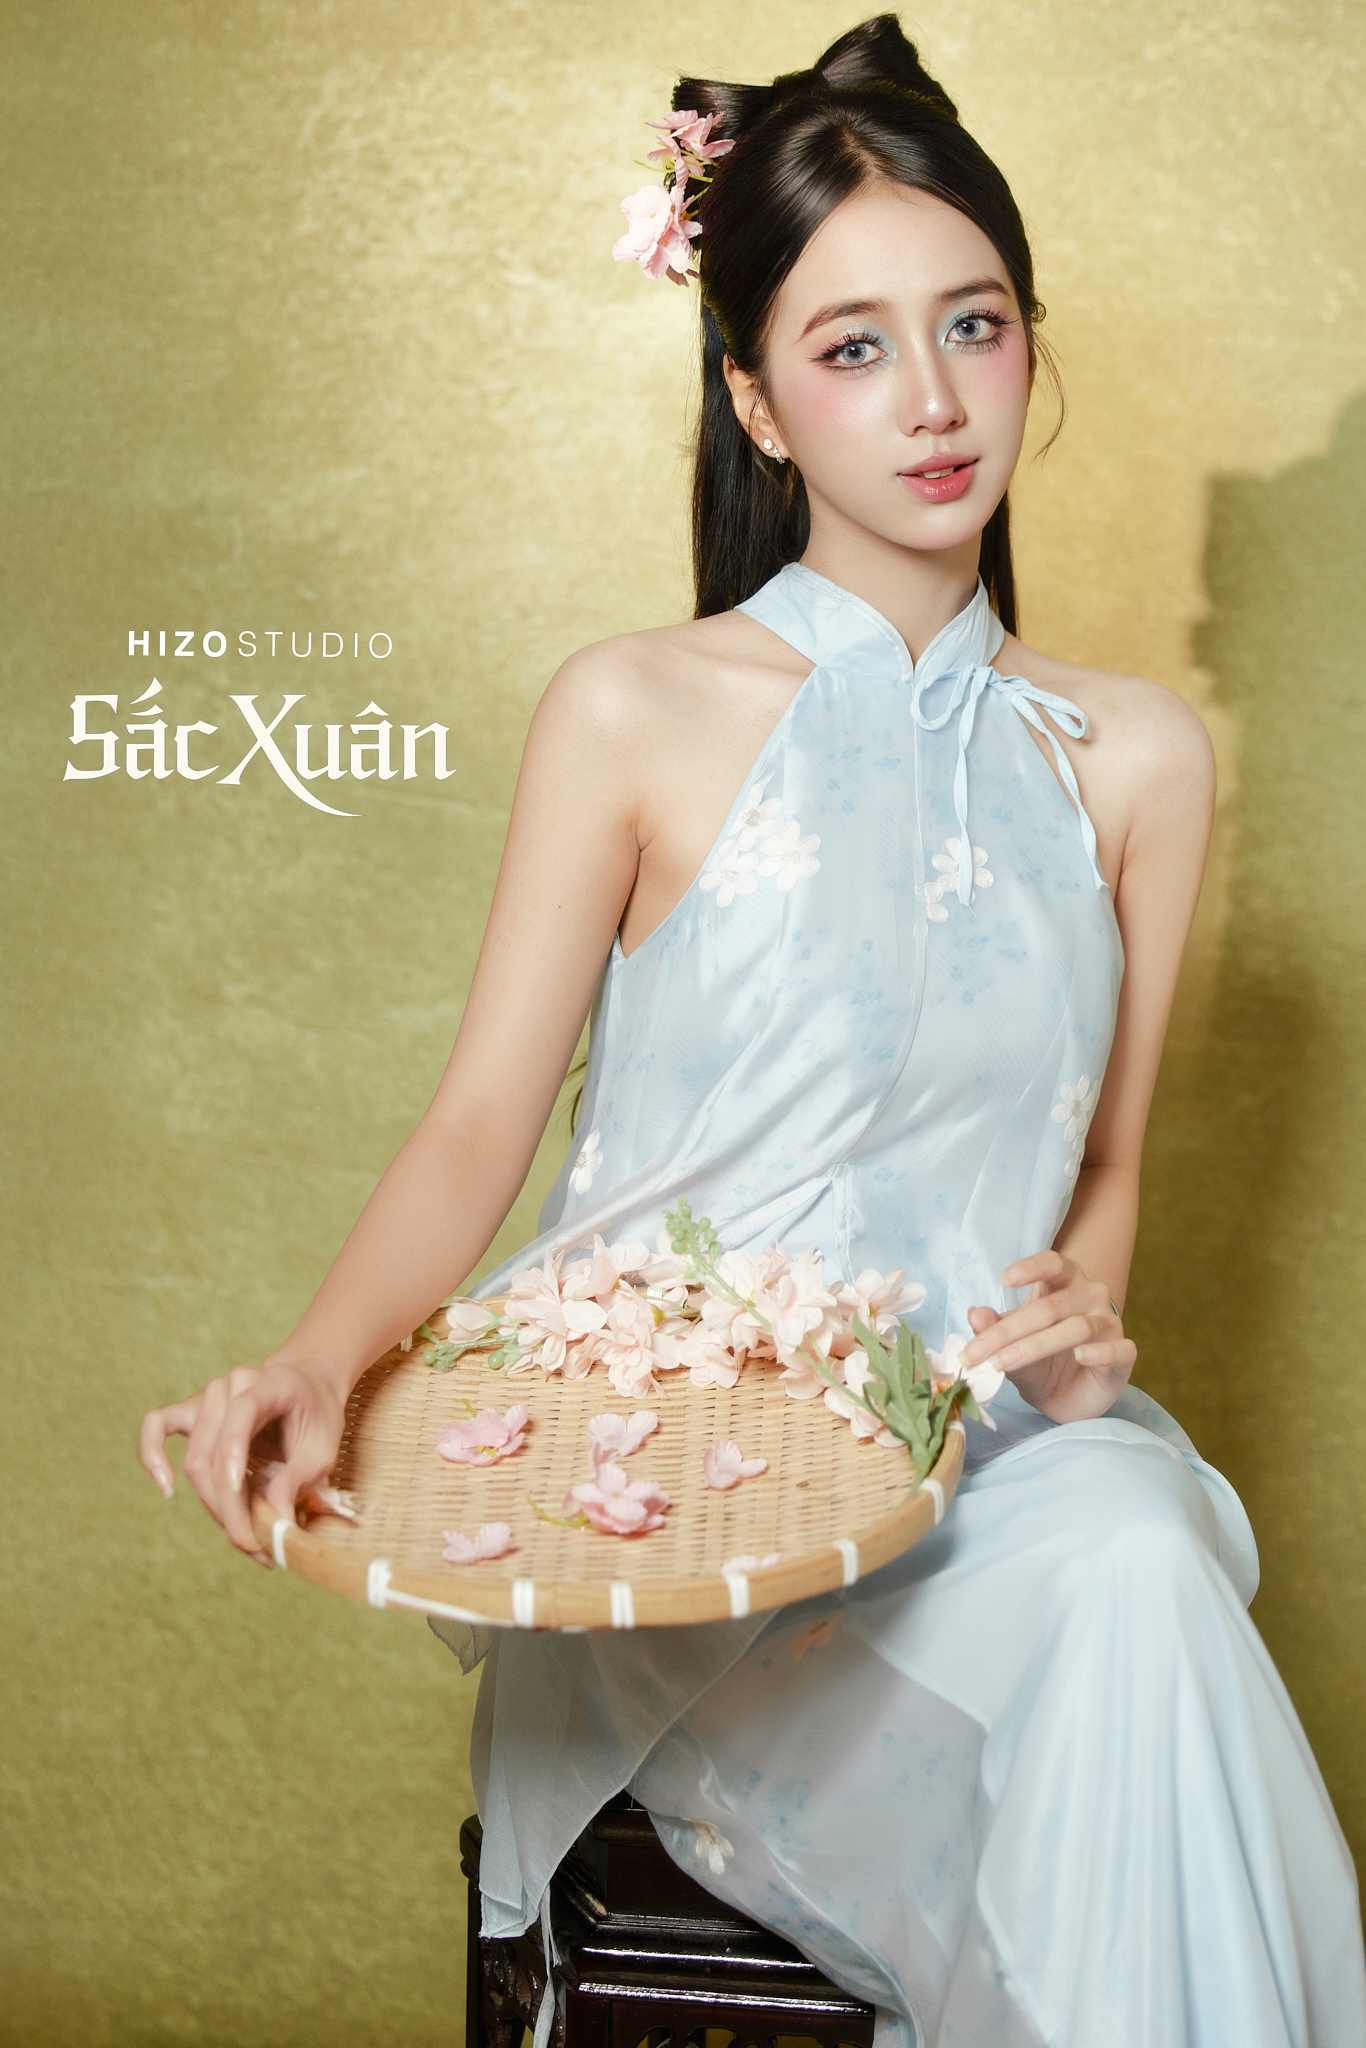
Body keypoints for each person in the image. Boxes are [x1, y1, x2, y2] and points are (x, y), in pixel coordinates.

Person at [139, 17, 1365, 2043]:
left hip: (993, 1485)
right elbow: (477, 1123)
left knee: (1133, 1539)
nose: (932, 399)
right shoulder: (630, 711)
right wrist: (316, 1357)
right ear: (754, 400)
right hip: (688, 1520)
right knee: (1135, 1594)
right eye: (851, 346)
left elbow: (1102, 1168)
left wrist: (1085, 1328)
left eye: (971, 326)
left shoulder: (1134, 757)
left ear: (1026, 343)